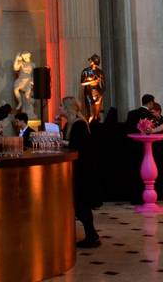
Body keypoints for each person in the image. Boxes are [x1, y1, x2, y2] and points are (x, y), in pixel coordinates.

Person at [63, 96, 100, 248]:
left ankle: (92, 236)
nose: (59, 109)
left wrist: (64, 142)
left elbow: (79, 146)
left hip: (83, 169)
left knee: (81, 204)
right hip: (77, 168)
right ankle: (91, 234)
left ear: (68, 108)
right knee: (79, 204)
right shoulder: (70, 124)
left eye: (61, 106)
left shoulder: (79, 125)